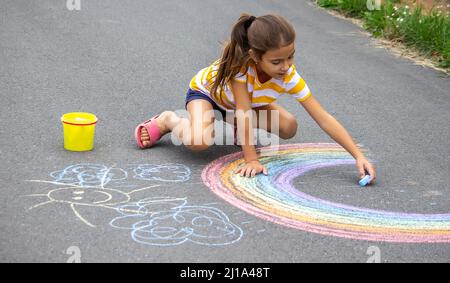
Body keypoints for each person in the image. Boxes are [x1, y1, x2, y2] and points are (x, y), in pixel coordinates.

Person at [134, 13, 376, 182]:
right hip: (207, 94)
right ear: (254, 56)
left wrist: (358, 155)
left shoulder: (289, 76)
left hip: (241, 107)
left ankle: (236, 128)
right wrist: (250, 159)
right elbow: (244, 111)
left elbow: (322, 117)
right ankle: (167, 120)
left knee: (289, 125)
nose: (286, 66)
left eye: (290, 56)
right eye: (277, 61)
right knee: (199, 141)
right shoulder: (241, 69)